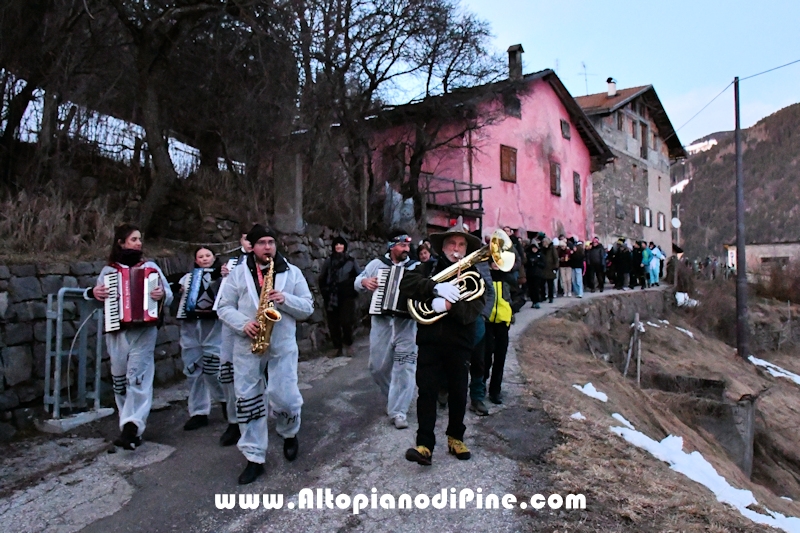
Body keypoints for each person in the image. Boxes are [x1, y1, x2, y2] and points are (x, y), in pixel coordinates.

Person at [217, 224, 314, 485]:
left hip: (281, 344)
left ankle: (289, 431)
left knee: (285, 398)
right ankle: (254, 457)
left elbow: (308, 308)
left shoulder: (291, 273)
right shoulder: (237, 274)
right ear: (252, 246)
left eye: (271, 242)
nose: (268, 247)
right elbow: (223, 307)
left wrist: (286, 299)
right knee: (248, 400)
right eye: (262, 243)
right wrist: (242, 323)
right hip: (247, 344)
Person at [401, 223, 485, 465]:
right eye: (451, 244)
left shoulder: (475, 278)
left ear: (467, 249)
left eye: (461, 245)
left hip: (460, 343)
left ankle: (455, 438)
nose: (455, 249)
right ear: (443, 246)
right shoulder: (428, 268)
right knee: (426, 392)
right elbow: (406, 285)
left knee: (459, 392)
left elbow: (471, 313)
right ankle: (424, 444)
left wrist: (449, 304)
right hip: (429, 342)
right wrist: (435, 288)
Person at [86, 223, 172, 450]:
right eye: (134, 239)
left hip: (145, 329)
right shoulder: (109, 271)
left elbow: (169, 295)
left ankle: (133, 426)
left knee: (139, 377)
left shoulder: (151, 267)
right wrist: (95, 293)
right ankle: (128, 426)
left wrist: (161, 294)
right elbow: (97, 298)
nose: (138, 243)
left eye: (140, 239)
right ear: (121, 242)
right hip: (117, 330)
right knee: (120, 379)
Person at [354, 233, 420, 430]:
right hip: (381, 321)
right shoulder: (376, 264)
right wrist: (364, 283)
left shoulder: (416, 268)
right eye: (401, 245)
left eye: (408, 246)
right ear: (392, 247)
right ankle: (395, 396)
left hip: (406, 323)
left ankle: (399, 411)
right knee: (377, 367)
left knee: (405, 366)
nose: (406, 249)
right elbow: (358, 281)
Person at [177, 247, 225, 431]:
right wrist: (180, 292)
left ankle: (224, 400)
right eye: (200, 256)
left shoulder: (222, 278)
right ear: (196, 260)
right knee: (193, 370)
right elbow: (180, 297)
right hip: (191, 329)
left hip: (213, 328)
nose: (204, 259)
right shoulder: (188, 278)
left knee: (215, 369)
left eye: (208, 255)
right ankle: (198, 412)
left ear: (214, 258)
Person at [217, 229, 253, 447]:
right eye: (246, 238)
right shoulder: (232, 263)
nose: (250, 242)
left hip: (258, 323)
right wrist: (220, 275)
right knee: (228, 371)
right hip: (232, 323)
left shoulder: (274, 262)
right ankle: (233, 420)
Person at [318, 236, 361, 357]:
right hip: (331, 295)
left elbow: (359, 276)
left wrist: (353, 288)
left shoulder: (351, 261)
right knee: (333, 323)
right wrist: (325, 291)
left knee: (346, 321)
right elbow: (322, 277)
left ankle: (349, 344)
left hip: (347, 295)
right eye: (336, 245)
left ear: (344, 247)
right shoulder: (329, 261)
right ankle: (337, 347)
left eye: (341, 245)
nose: (338, 247)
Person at [484, 258, 513, 405]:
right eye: (493, 262)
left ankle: (495, 391)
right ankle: (481, 386)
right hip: (488, 322)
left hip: (502, 322)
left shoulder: (507, 278)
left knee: (500, 359)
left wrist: (510, 312)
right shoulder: (485, 277)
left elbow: (519, 294)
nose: (495, 265)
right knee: (486, 356)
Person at [524, 241, 545, 308]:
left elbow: (544, 265)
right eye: (533, 248)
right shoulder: (529, 255)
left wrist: (537, 262)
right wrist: (530, 262)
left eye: (535, 248)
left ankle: (537, 301)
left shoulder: (540, 255)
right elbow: (526, 264)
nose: (534, 250)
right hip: (530, 274)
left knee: (536, 288)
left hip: (537, 274)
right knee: (531, 289)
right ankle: (533, 301)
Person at [542, 237, 559, 303]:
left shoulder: (552, 248)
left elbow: (556, 258)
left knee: (550, 284)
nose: (544, 244)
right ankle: (544, 296)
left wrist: (555, 267)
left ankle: (550, 297)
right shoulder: (543, 249)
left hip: (551, 268)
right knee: (543, 284)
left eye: (545, 242)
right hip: (544, 269)